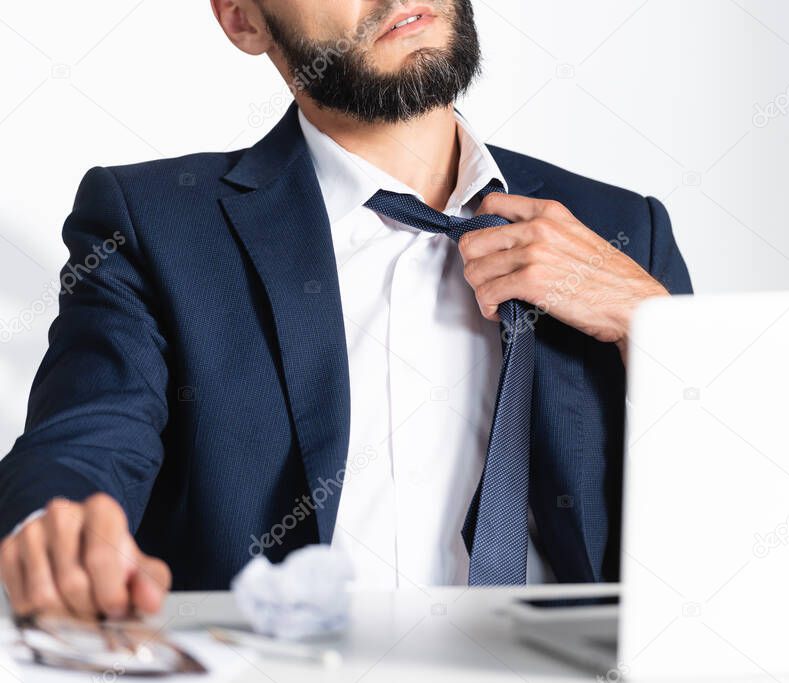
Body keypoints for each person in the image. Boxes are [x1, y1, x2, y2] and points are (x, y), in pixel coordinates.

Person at [0, 0, 692, 618]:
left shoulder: (620, 227)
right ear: (243, 19)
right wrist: (54, 522)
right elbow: (83, 442)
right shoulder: (154, 225)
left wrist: (651, 326)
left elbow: (727, 511)